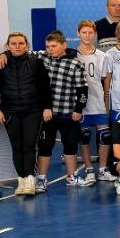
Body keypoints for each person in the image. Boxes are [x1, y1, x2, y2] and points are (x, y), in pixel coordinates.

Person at [0, 32, 53, 197]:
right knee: (16, 147)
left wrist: (47, 107)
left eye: (21, 43)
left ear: (27, 45)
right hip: (10, 112)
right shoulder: (0, 64)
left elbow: (45, 87)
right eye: (13, 43)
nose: (17, 47)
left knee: (29, 146)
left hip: (33, 111)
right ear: (7, 46)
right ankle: (22, 180)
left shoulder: (36, 62)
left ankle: (30, 180)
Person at [35, 30, 89, 191]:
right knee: (45, 146)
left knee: (70, 145)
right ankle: (41, 180)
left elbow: (82, 89)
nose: (50, 49)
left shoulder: (75, 64)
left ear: (63, 45)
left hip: (68, 114)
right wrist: (4, 55)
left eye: (53, 46)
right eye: (47, 46)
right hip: (48, 115)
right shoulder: (43, 57)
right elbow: (21, 51)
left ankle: (72, 177)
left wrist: (78, 109)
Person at [73, 20, 113, 184]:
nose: (87, 36)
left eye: (90, 32)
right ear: (78, 33)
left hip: (98, 102)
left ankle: (102, 169)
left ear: (95, 34)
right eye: (84, 32)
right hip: (80, 105)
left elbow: (106, 81)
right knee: (84, 137)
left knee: (105, 136)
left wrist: (106, 101)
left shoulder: (103, 56)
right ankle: (89, 169)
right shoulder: (72, 55)